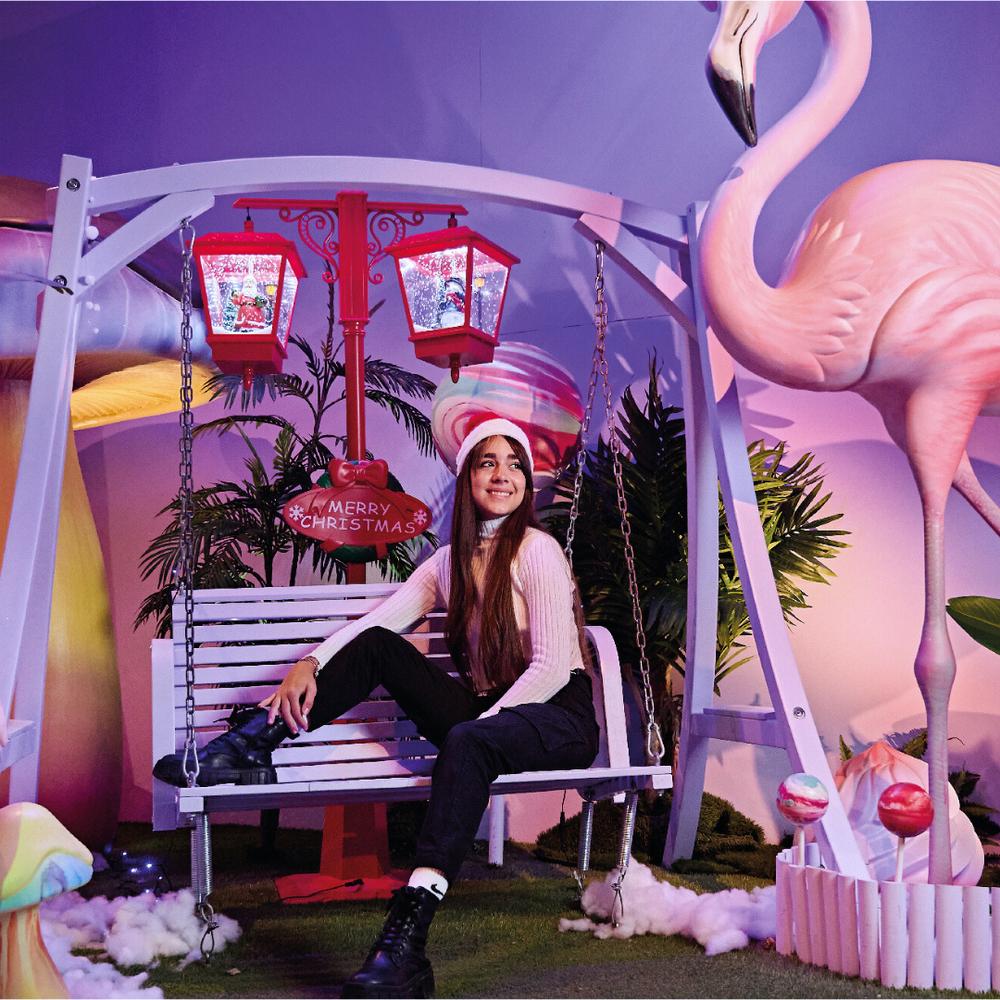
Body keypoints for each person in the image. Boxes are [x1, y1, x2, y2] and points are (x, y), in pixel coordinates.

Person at [153, 417, 600, 998]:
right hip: (491, 717)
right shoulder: (448, 562)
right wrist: (310, 661)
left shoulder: (537, 550)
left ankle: (405, 945)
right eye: (488, 462)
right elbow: (377, 625)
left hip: (557, 715)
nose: (503, 475)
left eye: (515, 464)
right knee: (378, 648)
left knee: (470, 739)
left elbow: (552, 668)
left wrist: (480, 733)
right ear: (467, 477)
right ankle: (250, 746)